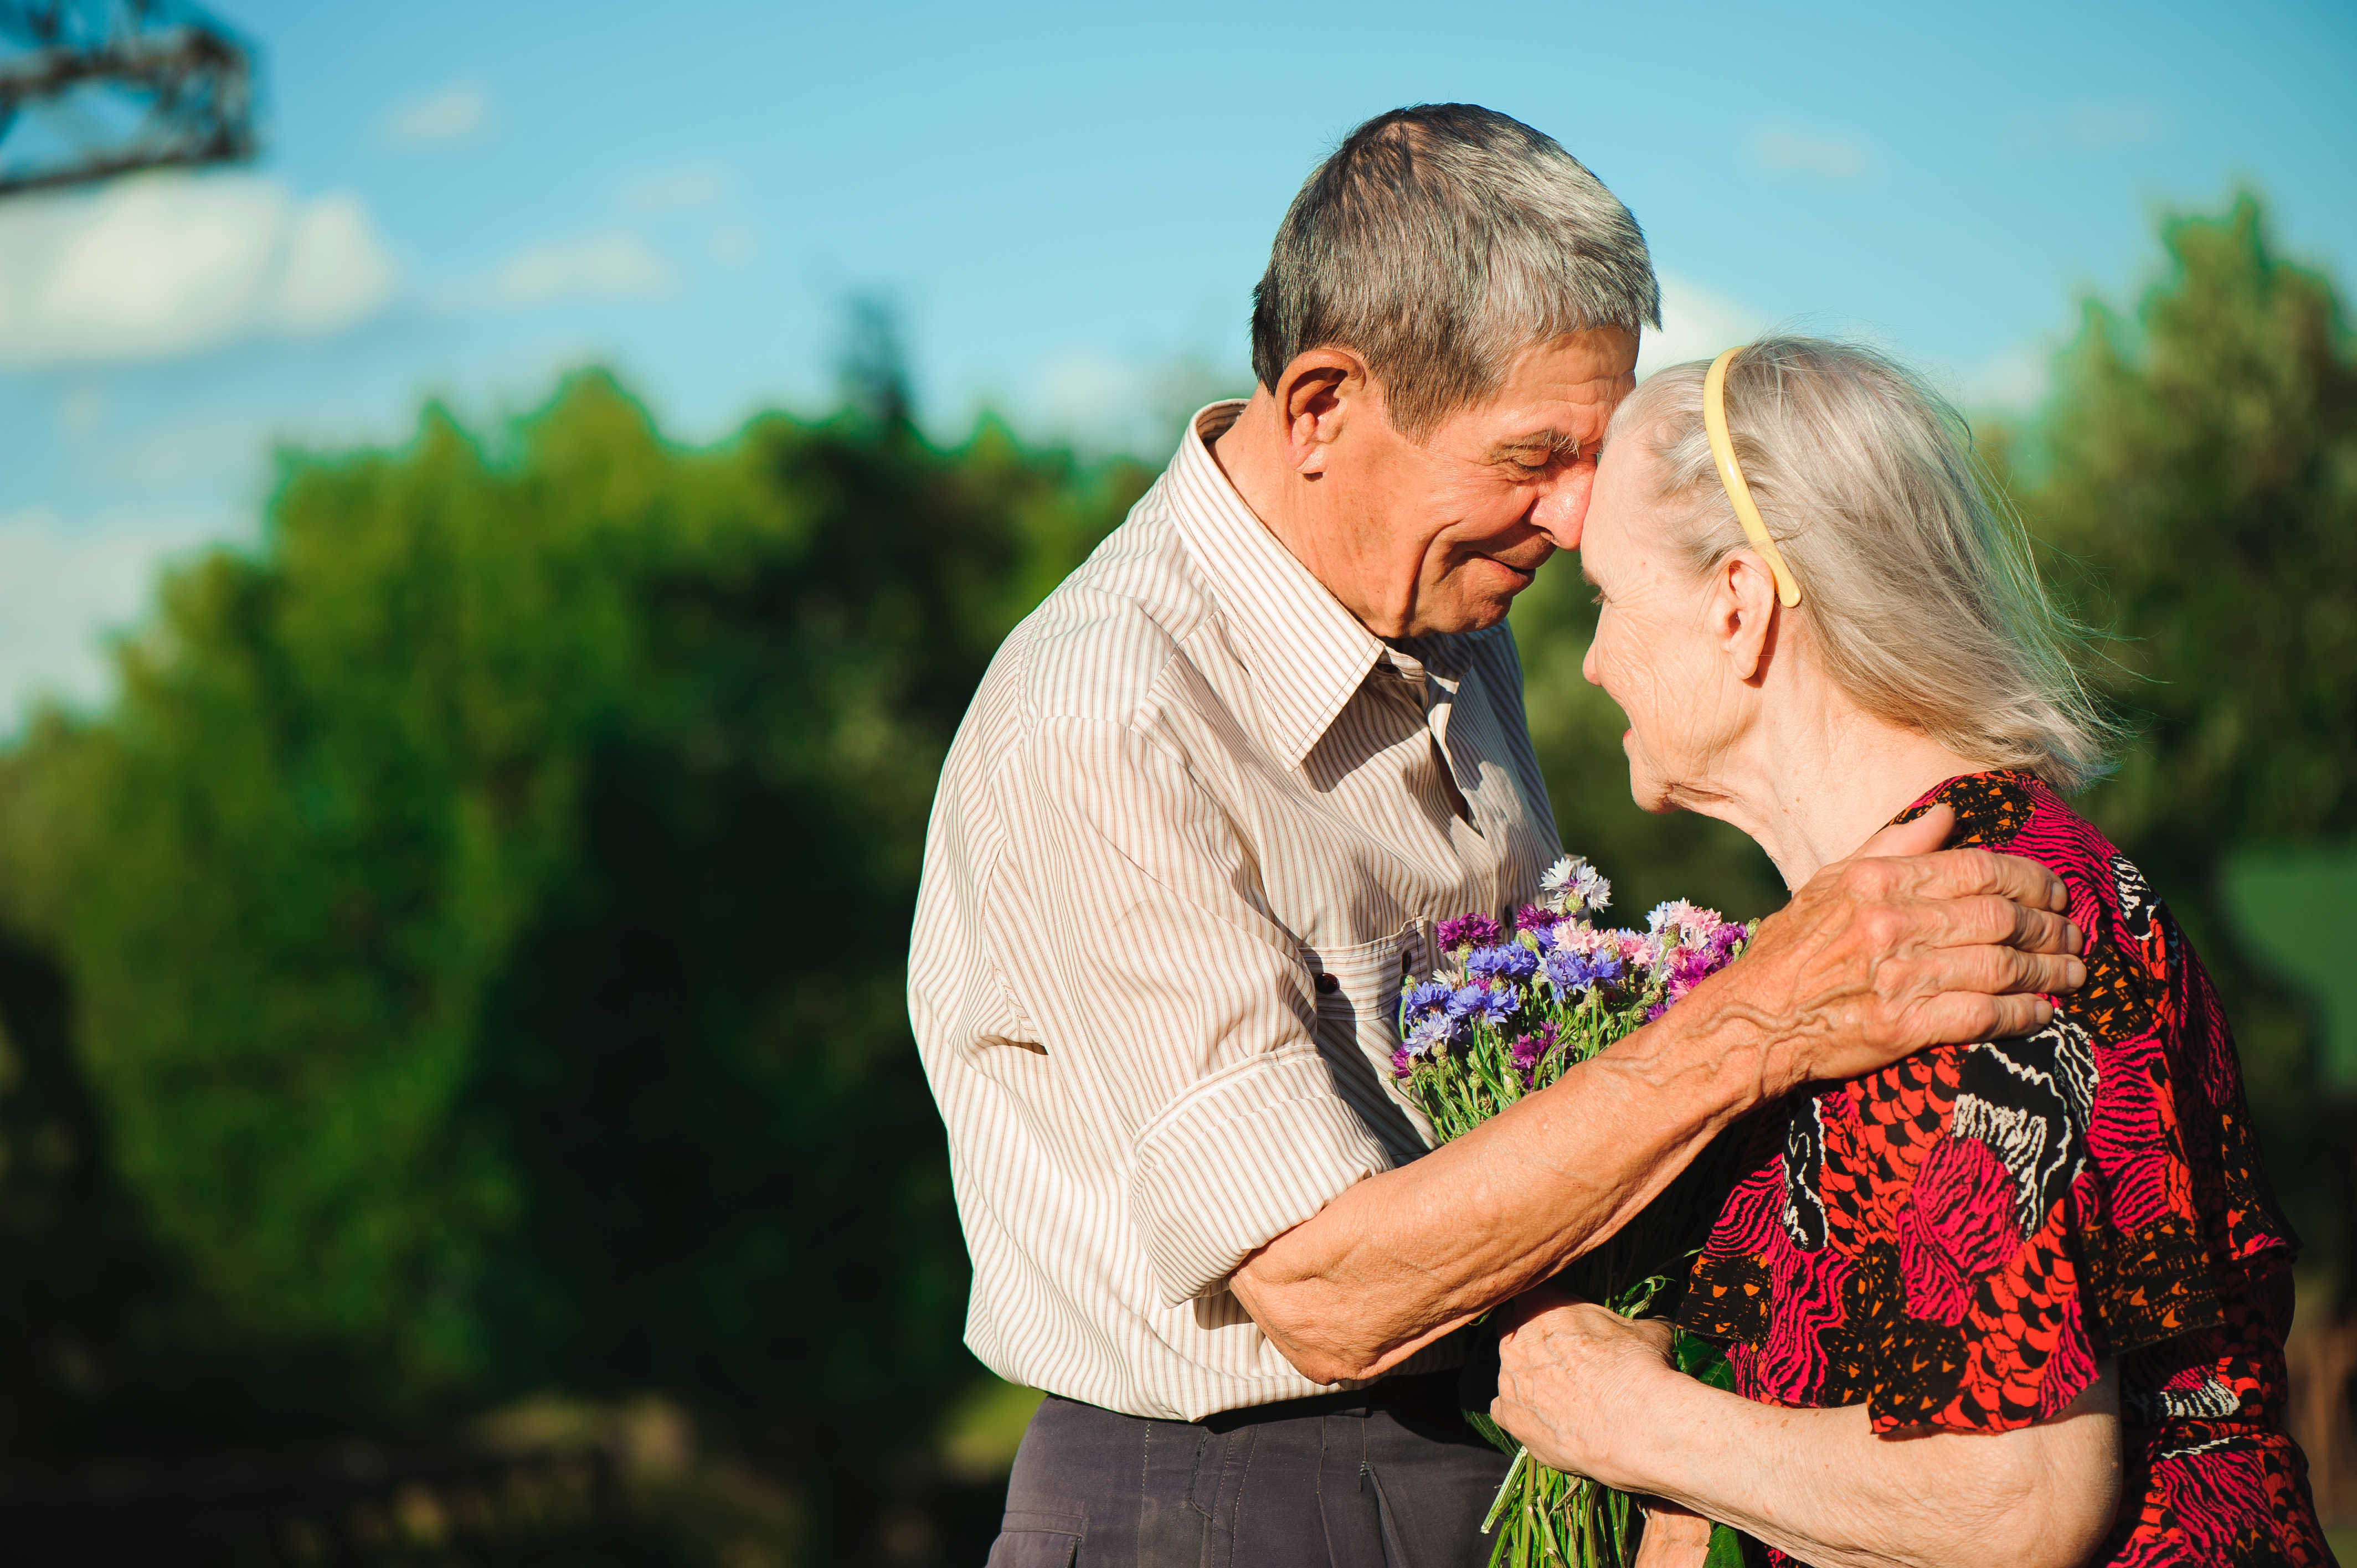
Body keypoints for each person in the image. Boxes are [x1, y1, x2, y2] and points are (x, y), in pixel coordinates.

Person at [910, 106, 2088, 1568]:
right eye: (1535, 453)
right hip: (1226, 1504)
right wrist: (1766, 1015)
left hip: (1502, 1446)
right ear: (1323, 407)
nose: (1581, 513)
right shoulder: (1111, 713)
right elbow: (1327, 1292)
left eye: (1595, 453)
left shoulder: (1451, 617)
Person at [1490, 337, 2332, 1567]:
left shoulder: (1949, 935)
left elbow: (2010, 1497)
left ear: (1738, 609)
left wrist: (1624, 1422)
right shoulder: (1946, 902)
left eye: (1608, 600)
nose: (1592, 659)